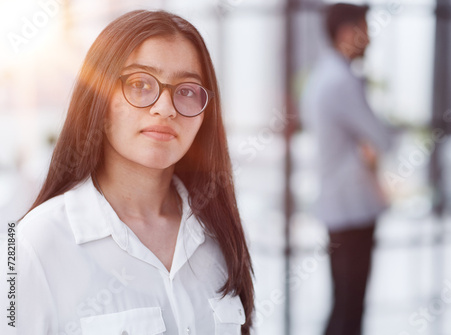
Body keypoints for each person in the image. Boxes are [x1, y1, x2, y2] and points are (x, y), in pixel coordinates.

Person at [2, 10, 254, 335]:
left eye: (187, 91)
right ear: (99, 101)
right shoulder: (32, 244)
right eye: (139, 84)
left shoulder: (219, 234)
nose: (165, 107)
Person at [301, 3, 394, 335]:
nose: (369, 38)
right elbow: (383, 138)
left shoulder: (323, 75)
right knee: (350, 308)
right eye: (364, 29)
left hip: (338, 204)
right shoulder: (342, 80)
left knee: (343, 302)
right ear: (346, 33)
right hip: (353, 206)